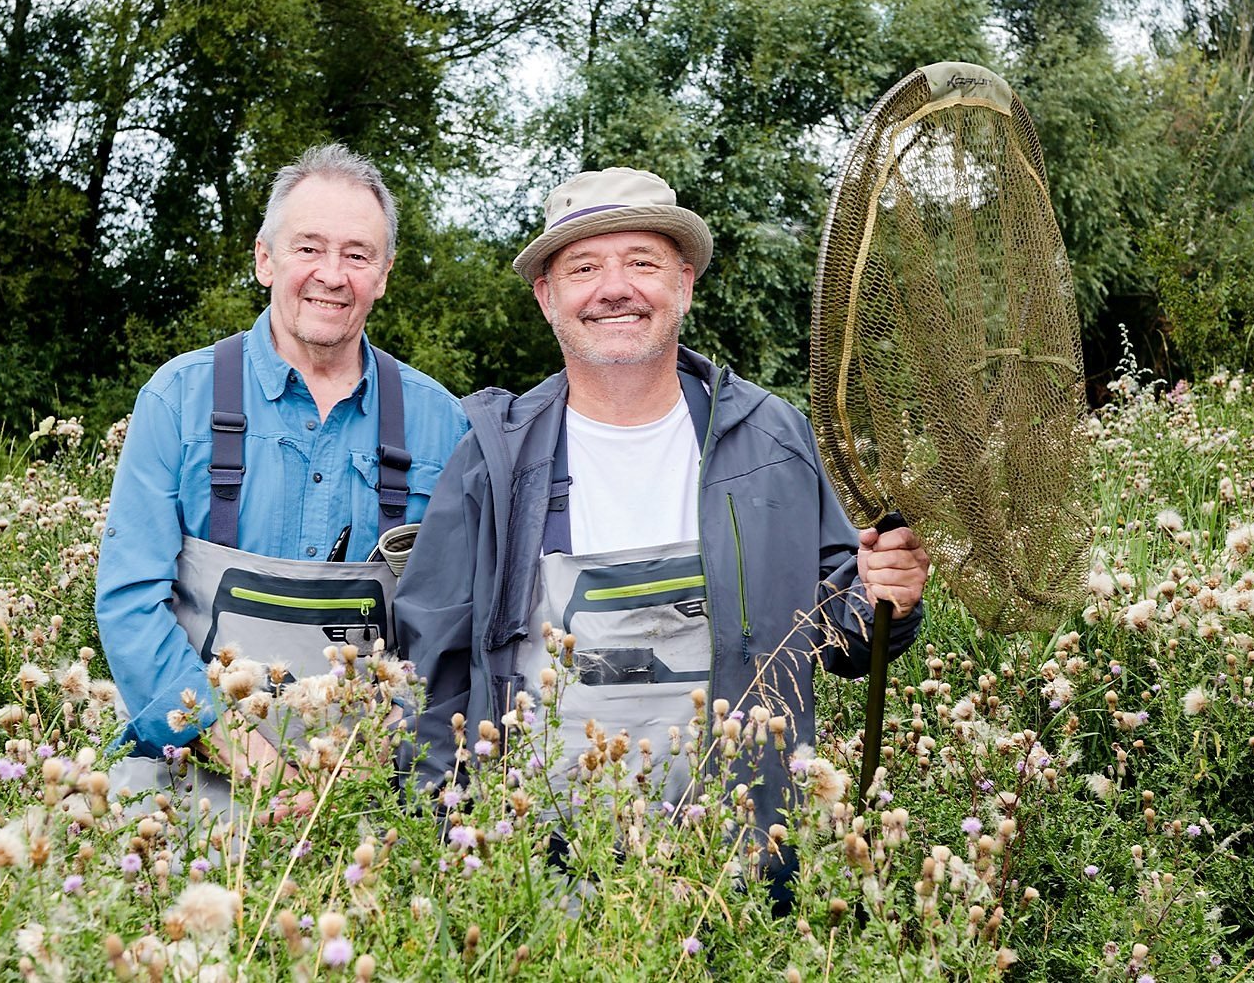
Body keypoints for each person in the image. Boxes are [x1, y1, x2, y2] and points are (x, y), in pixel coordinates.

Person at [395, 166, 929, 894]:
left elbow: (845, 631)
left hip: (745, 860)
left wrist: (882, 593)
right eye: (583, 267)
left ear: (683, 283)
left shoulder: (771, 438)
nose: (614, 288)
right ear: (548, 297)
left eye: (641, 263)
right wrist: (445, 841)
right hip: (539, 870)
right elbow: (434, 667)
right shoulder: (492, 456)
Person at [96, 143, 468, 781]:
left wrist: (369, 760)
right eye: (308, 248)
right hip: (194, 755)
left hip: (374, 770)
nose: (332, 273)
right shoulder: (179, 399)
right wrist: (245, 755)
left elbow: (449, 630)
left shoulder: (443, 422)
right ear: (265, 259)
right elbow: (131, 601)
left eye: (357, 255)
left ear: (384, 274)